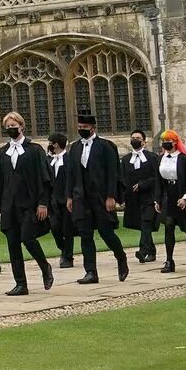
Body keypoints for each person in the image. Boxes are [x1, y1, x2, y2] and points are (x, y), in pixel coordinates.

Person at [0, 112, 54, 295]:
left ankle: (45, 266)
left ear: (22, 126)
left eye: (13, 126)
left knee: (28, 238)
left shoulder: (34, 150)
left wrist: (43, 203)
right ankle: (21, 284)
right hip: (9, 205)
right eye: (7, 127)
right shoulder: (2, 153)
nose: (11, 129)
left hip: (29, 203)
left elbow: (44, 178)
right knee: (12, 245)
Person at [62, 110, 129, 285]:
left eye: (84, 127)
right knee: (85, 235)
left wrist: (111, 196)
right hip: (81, 197)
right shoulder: (74, 147)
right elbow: (70, 173)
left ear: (92, 128)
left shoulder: (106, 146)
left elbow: (113, 173)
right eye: (79, 127)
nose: (81, 129)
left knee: (106, 233)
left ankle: (121, 258)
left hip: (100, 196)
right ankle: (91, 271)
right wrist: (69, 196)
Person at [153, 130, 186, 272]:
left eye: (169, 141)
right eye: (164, 141)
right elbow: (158, 181)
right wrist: (157, 199)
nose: (165, 143)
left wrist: (185, 198)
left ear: (175, 142)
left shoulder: (184, 159)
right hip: (168, 196)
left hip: (181, 194)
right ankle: (169, 261)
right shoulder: (160, 159)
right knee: (169, 226)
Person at [122, 131, 159, 263]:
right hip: (134, 199)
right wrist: (122, 198)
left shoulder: (152, 157)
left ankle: (142, 251)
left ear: (144, 141)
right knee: (144, 225)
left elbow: (157, 177)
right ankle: (152, 251)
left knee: (146, 222)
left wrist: (143, 184)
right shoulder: (126, 160)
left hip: (149, 196)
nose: (135, 140)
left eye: (138, 138)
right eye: (133, 138)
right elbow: (123, 180)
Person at [45, 133, 76, 268]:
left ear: (56, 144)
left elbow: (72, 179)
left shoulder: (69, 159)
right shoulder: (48, 160)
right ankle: (63, 250)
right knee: (55, 228)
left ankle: (67, 257)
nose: (49, 145)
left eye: (51, 143)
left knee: (67, 229)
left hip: (66, 200)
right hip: (52, 201)